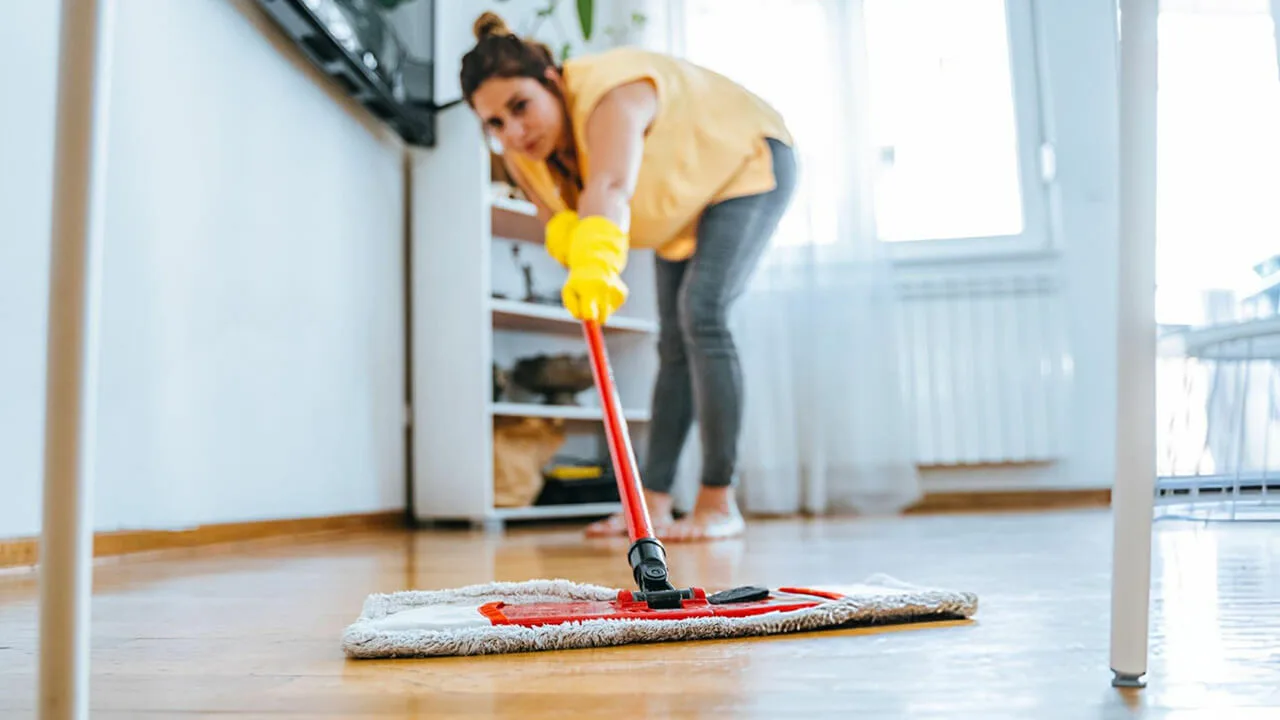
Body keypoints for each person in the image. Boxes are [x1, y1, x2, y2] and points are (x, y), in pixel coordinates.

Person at [460, 12, 796, 541]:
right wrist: (577, 253)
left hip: (743, 161)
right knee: (673, 346)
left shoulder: (610, 92)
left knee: (702, 315)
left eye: (520, 106)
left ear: (552, 80)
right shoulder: (525, 156)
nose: (513, 132)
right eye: (495, 124)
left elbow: (611, 185)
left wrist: (596, 265)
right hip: (681, 204)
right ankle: (652, 506)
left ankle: (717, 501)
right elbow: (560, 222)